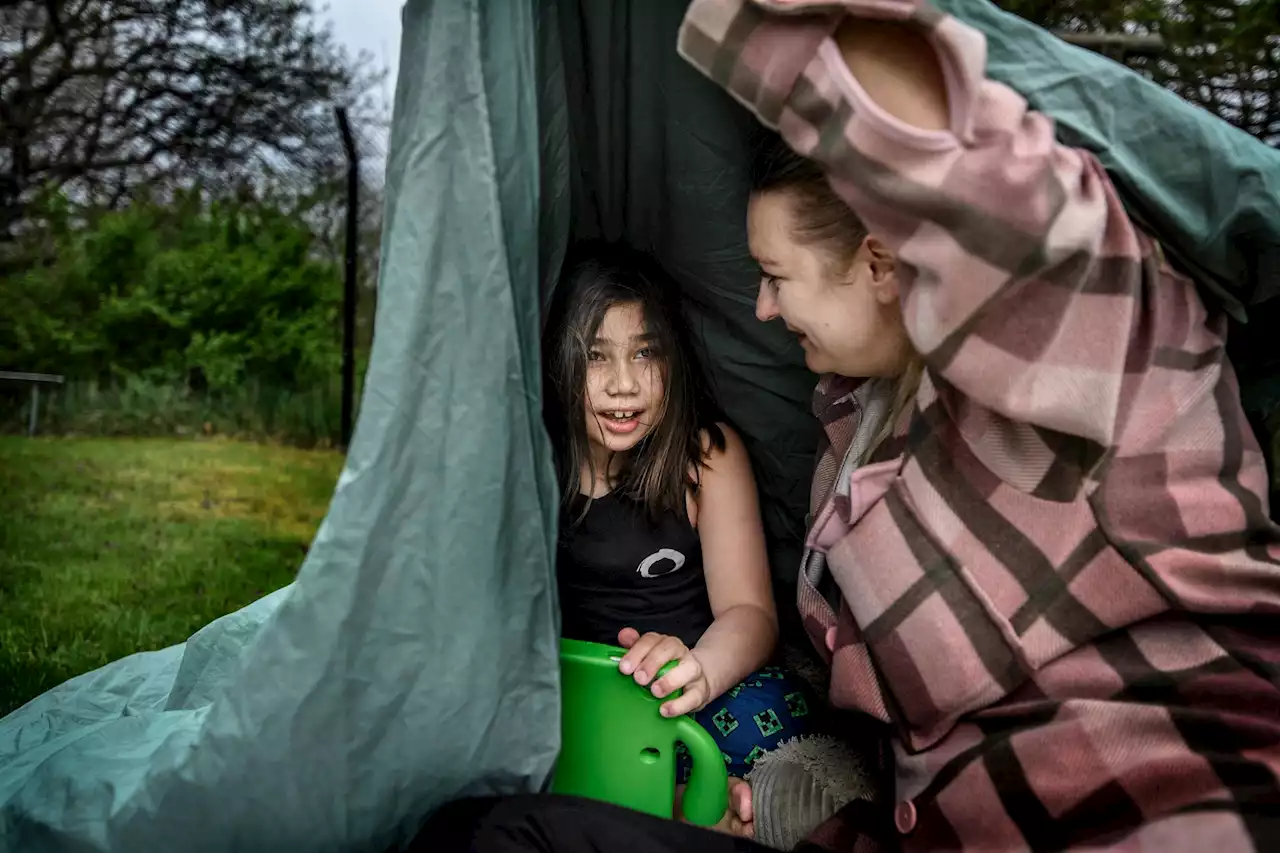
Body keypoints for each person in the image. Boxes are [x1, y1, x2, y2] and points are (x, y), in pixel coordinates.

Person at [417, 0, 1280, 850]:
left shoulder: (1087, 359)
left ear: (877, 262)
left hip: (1156, 818)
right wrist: (777, 818)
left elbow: (993, 186)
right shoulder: (850, 432)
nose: (758, 306)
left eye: (774, 274)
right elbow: (899, 768)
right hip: (890, 824)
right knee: (485, 833)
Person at [542, 242, 813, 828]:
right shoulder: (534, 465)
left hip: (692, 685)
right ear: (557, 362)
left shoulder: (704, 457)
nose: (623, 384)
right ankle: (671, 799)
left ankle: (680, 790)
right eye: (595, 356)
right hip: (583, 693)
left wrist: (698, 672)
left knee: (777, 707)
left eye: (646, 354)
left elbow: (750, 613)